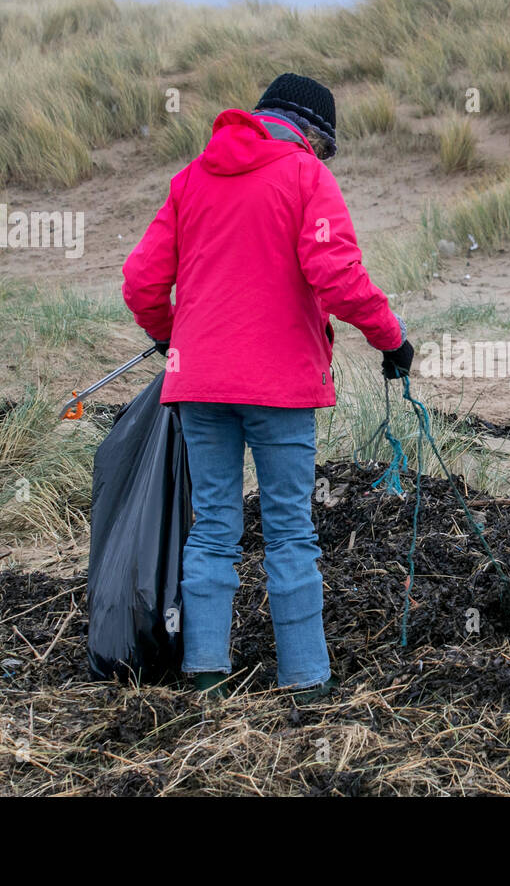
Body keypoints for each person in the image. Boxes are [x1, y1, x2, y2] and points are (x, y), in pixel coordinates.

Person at [122, 73, 414, 698]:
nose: (323, 157)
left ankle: (205, 677)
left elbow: (141, 281)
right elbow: (335, 274)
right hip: (279, 386)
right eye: (325, 147)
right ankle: (306, 682)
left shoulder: (192, 178)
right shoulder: (307, 177)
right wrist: (392, 339)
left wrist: (175, 340)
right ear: (313, 133)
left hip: (198, 384)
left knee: (213, 529)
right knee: (289, 529)